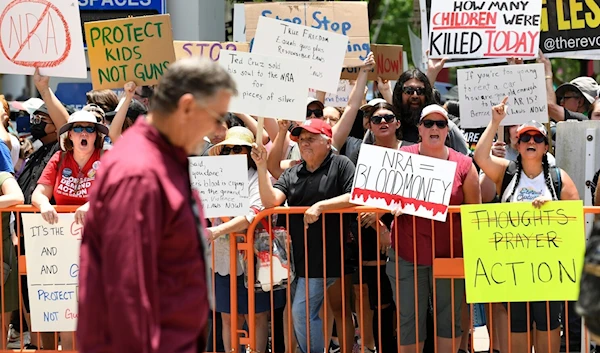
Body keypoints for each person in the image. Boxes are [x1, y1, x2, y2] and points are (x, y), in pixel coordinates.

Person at [77, 57, 236, 353]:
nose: (218, 128)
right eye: (216, 116)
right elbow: (125, 291)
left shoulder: (162, 159)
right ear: (187, 107)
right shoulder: (140, 173)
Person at [474, 97, 579, 353]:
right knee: (517, 328)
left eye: (538, 138)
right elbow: (479, 156)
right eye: (525, 138)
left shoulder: (559, 178)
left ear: (545, 147)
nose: (531, 142)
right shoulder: (505, 172)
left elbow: (575, 219)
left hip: (548, 270)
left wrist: (552, 209)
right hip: (514, 270)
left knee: (547, 328)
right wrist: (495, 121)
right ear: (517, 144)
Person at [252, 118, 356, 353]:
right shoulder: (293, 172)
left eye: (311, 138)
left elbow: (354, 196)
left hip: (325, 257)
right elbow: (270, 201)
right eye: (301, 139)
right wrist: (261, 166)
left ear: (328, 141)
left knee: (301, 312)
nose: (304, 143)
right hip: (295, 259)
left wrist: (321, 206)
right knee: (301, 312)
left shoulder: (341, 164)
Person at [386, 104, 481, 353]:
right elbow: (380, 196)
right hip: (407, 254)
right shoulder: (402, 157)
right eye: (428, 123)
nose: (434, 128)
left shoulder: (464, 164)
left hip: (450, 254)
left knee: (448, 320)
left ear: (448, 130)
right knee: (408, 319)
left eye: (440, 123)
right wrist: (393, 203)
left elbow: (474, 212)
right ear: (419, 128)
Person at [206, 126, 283, 353]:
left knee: (257, 315)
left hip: (254, 257)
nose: (231, 154)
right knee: (228, 317)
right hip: (222, 259)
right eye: (227, 149)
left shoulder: (259, 178)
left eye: (238, 148)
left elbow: (251, 216)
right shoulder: (212, 177)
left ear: (249, 153)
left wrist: (218, 229)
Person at [391, 69, 469, 154]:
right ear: (399, 94)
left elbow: (465, 162)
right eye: (409, 91)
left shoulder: (445, 125)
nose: (415, 95)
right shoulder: (390, 126)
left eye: (420, 91)